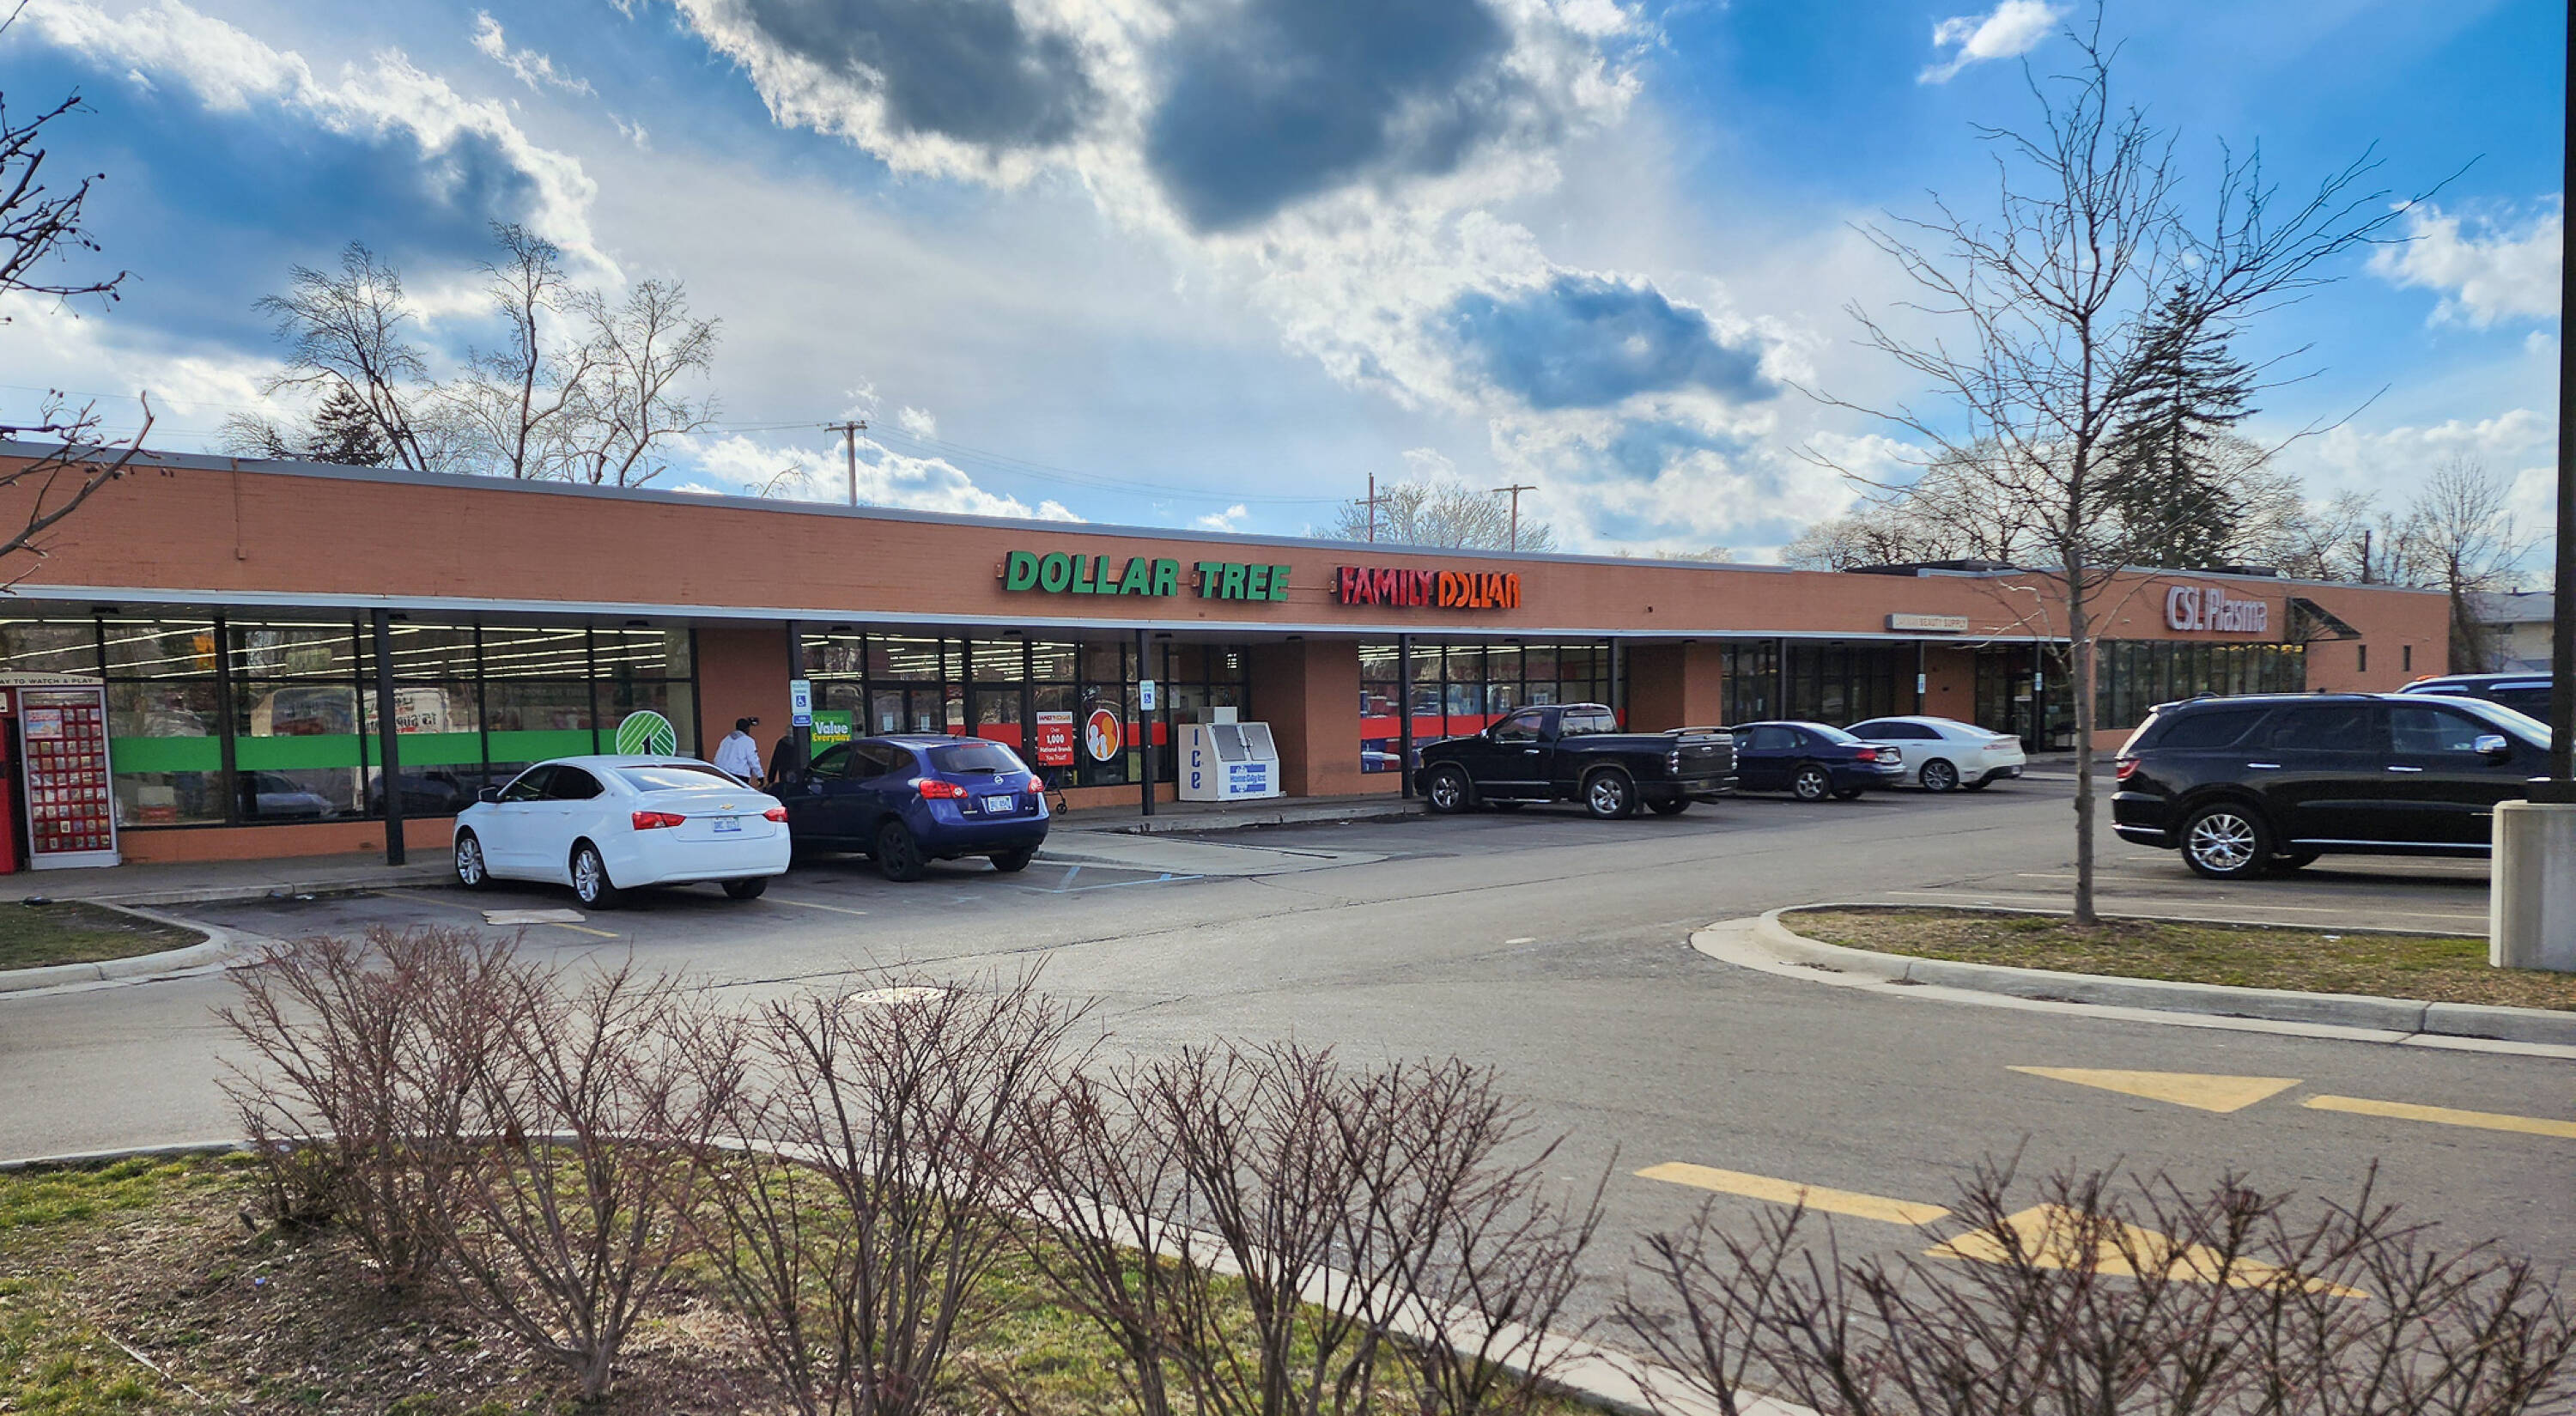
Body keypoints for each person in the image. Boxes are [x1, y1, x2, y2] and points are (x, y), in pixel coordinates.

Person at [714, 715, 763, 785]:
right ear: (747, 728)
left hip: (723, 774)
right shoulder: (748, 741)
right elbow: (753, 760)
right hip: (739, 776)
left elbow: (717, 758)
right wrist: (760, 775)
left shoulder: (726, 740)